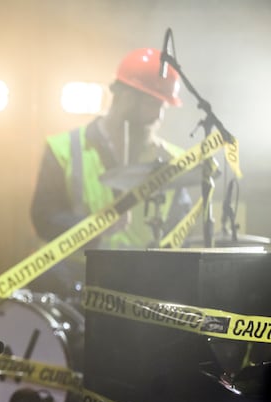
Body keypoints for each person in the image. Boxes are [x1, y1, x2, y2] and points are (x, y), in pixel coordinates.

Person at [30, 47, 193, 299]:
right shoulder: (63, 149)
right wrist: (93, 228)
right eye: (152, 103)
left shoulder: (173, 161)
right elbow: (44, 218)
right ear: (124, 97)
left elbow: (180, 231)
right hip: (72, 284)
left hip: (141, 289)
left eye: (163, 105)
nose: (158, 115)